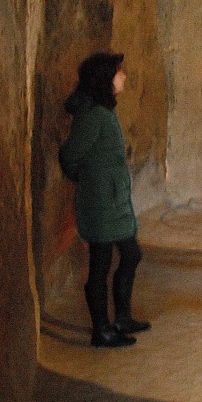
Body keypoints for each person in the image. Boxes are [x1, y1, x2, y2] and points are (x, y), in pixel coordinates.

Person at [59, 52, 151, 348]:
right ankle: (102, 330)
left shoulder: (104, 111)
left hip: (112, 202)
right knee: (101, 264)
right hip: (101, 204)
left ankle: (121, 318)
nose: (123, 76)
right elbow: (69, 156)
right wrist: (91, 182)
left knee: (130, 254)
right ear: (105, 79)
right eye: (118, 72)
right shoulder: (94, 115)